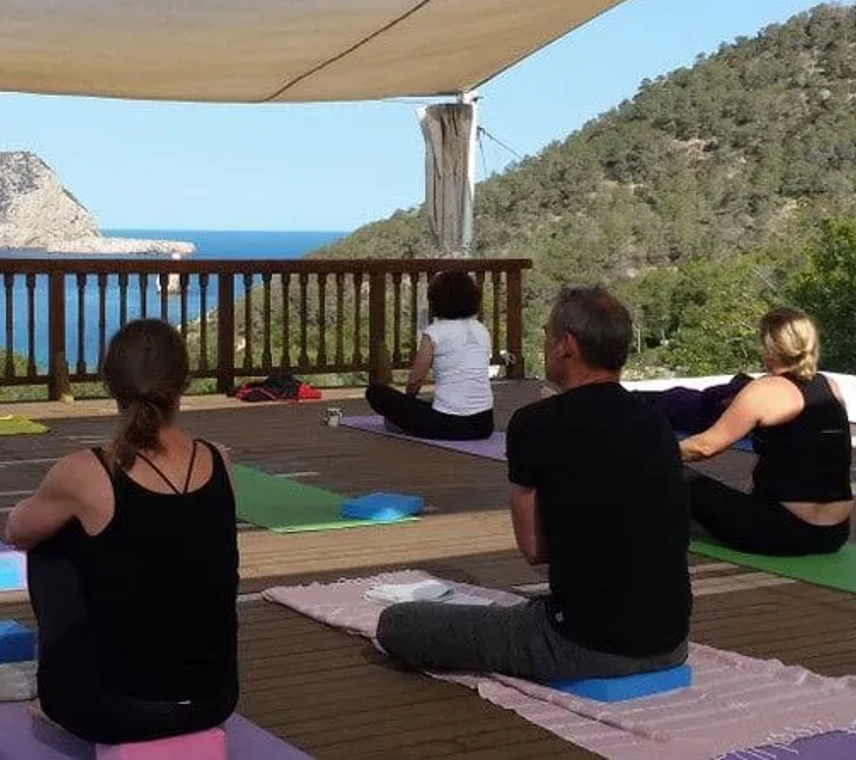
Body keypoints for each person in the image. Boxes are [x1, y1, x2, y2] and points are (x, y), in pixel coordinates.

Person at [376, 285, 691, 681]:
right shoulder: (655, 421)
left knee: (399, 622)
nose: (544, 344)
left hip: (581, 644)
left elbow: (535, 550)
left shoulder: (535, 423)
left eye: (547, 334)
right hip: (671, 642)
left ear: (567, 345)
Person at [3, 318, 239, 744]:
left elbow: (17, 532)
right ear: (184, 384)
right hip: (214, 700)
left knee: (51, 543)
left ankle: (57, 692)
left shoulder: (85, 472)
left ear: (110, 386)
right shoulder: (219, 460)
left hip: (113, 713)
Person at [680, 307, 852, 556]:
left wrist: (656, 451)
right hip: (834, 532)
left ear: (769, 346)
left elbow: (704, 446)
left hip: (782, 532)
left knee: (676, 475)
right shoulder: (831, 387)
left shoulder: (765, 389)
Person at [364, 270, 494, 440]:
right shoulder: (481, 329)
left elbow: (416, 379)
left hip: (448, 424)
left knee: (375, 392)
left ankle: (402, 422)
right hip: (484, 424)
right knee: (434, 400)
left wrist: (407, 404)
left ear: (436, 301)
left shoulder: (434, 332)